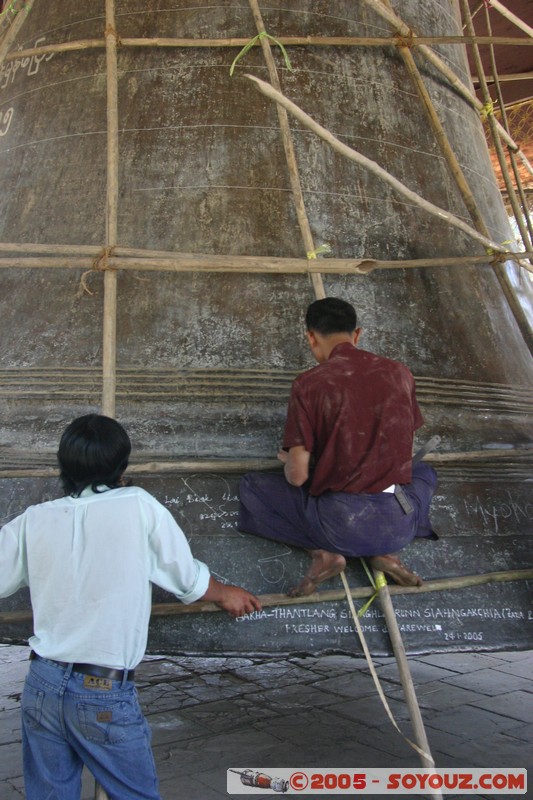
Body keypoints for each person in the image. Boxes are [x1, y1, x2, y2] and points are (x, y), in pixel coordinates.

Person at [0, 414, 261, 800]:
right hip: (101, 690)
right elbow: (185, 576)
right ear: (122, 466)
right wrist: (225, 592)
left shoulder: (34, 520)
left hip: (42, 684)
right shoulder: (138, 505)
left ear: (63, 464)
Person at [238, 297, 437, 597]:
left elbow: (298, 478)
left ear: (311, 337)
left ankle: (323, 553)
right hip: (398, 524)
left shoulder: (308, 384)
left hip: (340, 524)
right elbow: (401, 447)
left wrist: (296, 460)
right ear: (357, 334)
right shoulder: (400, 373)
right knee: (426, 473)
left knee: (253, 487)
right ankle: (382, 554)